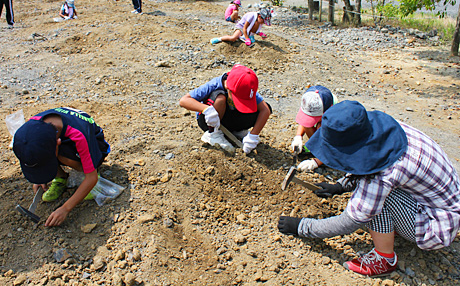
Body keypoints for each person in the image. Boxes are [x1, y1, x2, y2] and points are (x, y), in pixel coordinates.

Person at [278, 100, 460, 277]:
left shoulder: (383, 176)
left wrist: (303, 227)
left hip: (436, 226)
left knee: (373, 206)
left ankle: (384, 259)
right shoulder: (387, 133)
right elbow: (366, 161)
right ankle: (395, 226)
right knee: (374, 196)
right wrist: (339, 186)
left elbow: (350, 221)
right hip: (434, 202)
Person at [13, 107, 111, 227]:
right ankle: (61, 178)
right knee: (48, 154)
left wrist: (65, 208)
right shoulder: (32, 128)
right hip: (62, 142)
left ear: (58, 143)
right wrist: (39, 175)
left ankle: (85, 171)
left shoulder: (78, 135)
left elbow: (92, 177)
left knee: (65, 157)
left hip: (96, 146)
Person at [179, 65, 271, 154]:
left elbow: (265, 110)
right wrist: (206, 110)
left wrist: (253, 135)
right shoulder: (216, 84)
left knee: (262, 107)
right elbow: (184, 101)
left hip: (231, 120)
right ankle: (213, 134)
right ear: (229, 89)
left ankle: (237, 131)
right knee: (220, 98)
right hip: (211, 119)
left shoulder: (246, 88)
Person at [291, 85, 338, 172]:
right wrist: (298, 136)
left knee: (321, 128)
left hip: (334, 141)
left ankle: (321, 151)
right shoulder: (310, 100)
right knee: (307, 124)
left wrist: (316, 162)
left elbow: (336, 148)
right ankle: (315, 146)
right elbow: (304, 121)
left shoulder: (335, 119)